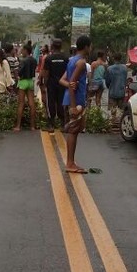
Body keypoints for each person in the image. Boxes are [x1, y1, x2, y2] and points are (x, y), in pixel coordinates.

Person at [61, 35, 91, 173]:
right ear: (86, 47)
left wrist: (71, 85)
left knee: (74, 131)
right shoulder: (81, 63)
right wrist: (74, 106)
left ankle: (71, 161)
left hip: (70, 98)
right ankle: (70, 163)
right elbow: (72, 84)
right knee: (73, 131)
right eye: (90, 46)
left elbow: (63, 81)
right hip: (76, 100)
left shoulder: (72, 60)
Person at [41, 39, 68, 132]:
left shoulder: (49, 58)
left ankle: (51, 125)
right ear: (61, 46)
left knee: (51, 103)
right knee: (62, 102)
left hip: (51, 84)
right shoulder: (65, 58)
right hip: (62, 84)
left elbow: (46, 73)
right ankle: (63, 125)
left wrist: (44, 85)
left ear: (52, 46)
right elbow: (67, 72)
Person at [15, 42, 38, 131]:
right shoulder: (34, 60)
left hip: (23, 81)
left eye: (23, 50)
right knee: (32, 104)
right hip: (30, 81)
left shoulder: (23, 60)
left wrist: (18, 74)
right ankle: (32, 126)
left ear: (25, 50)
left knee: (21, 103)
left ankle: (18, 126)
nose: (22, 52)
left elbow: (20, 72)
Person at [104, 54, 130, 124]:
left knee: (113, 109)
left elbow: (107, 81)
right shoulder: (125, 68)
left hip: (112, 91)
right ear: (120, 59)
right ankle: (120, 122)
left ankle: (113, 121)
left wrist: (109, 86)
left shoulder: (109, 68)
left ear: (113, 58)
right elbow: (126, 79)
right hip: (122, 91)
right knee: (121, 109)